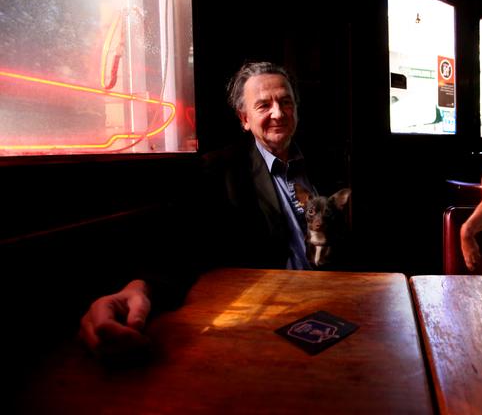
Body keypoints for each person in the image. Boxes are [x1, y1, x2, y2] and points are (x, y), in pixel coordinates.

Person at [79, 62, 321, 356]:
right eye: (263, 105)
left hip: (337, 297)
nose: (278, 113)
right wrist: (143, 287)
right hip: (271, 315)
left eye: (285, 102)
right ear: (244, 118)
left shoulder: (329, 162)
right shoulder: (221, 171)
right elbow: (182, 244)